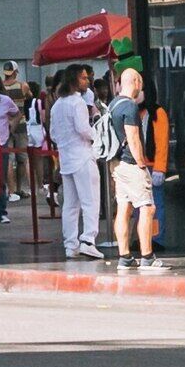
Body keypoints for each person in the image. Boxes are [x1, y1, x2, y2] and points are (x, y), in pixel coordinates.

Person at [105, 66, 164, 271]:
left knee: (124, 208)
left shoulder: (113, 104)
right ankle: (147, 257)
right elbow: (133, 138)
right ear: (136, 83)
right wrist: (142, 164)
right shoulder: (130, 107)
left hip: (117, 164)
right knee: (147, 208)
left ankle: (125, 257)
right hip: (131, 164)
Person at [49, 65, 105, 260]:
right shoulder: (77, 103)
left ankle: (70, 244)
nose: (87, 81)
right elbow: (83, 128)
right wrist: (97, 135)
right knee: (90, 201)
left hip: (66, 158)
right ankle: (88, 240)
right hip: (82, 156)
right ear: (74, 80)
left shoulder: (57, 105)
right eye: (83, 78)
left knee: (70, 205)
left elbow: (53, 134)